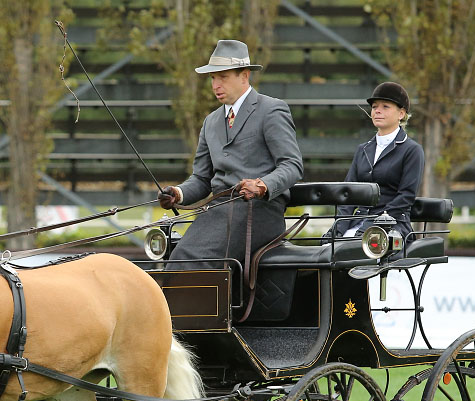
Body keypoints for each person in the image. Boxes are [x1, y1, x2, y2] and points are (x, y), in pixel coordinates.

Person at [157, 39, 303, 268]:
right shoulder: (211, 122)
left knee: (197, 259)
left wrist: (262, 185)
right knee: (178, 258)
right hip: (217, 212)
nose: (216, 85)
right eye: (213, 78)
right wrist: (178, 193)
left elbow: (292, 165)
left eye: (223, 77)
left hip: (259, 212)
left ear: (244, 76)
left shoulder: (271, 110)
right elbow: (202, 179)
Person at [326, 82, 425, 241]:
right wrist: (339, 227)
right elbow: (348, 193)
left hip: (392, 225)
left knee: (355, 249)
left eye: (385, 106)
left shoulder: (412, 150)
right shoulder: (362, 149)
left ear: (401, 114)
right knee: (328, 250)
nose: (377, 111)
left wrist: (375, 223)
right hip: (358, 223)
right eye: (374, 107)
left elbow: (405, 197)